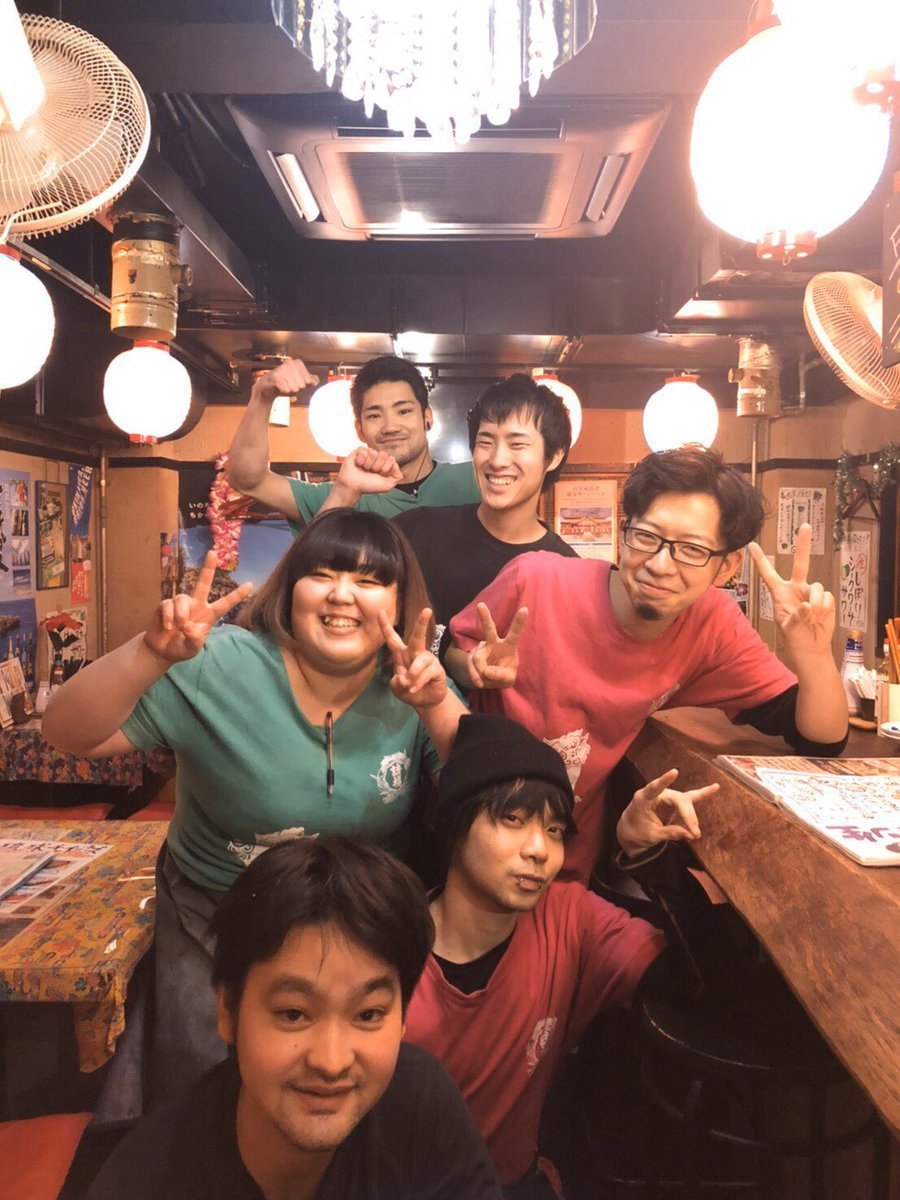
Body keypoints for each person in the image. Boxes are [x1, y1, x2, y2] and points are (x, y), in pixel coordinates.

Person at [43, 508, 467, 1102]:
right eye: (322, 574)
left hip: (357, 926)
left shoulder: (414, 683)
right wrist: (149, 654)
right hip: (214, 919)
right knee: (205, 1090)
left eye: (370, 580)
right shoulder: (216, 664)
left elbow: (484, 790)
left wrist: (437, 705)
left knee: (338, 1089)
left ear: (399, 605)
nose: (342, 594)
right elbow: (66, 734)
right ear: (291, 589)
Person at [445, 448, 849, 882]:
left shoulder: (713, 625)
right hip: (470, 850)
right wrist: (472, 669)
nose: (659, 565)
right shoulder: (536, 579)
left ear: (727, 566)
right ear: (625, 533)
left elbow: (820, 738)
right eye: (646, 536)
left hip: (569, 866)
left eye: (691, 549)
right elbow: (451, 651)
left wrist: (813, 656)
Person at [403, 713, 721, 1196]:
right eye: (513, 819)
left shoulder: (568, 919)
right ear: (454, 824)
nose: (539, 849)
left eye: (554, 830)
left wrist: (651, 861)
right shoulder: (389, 954)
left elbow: (699, 985)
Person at [88, 836, 503, 1200]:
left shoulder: (422, 1108)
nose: (332, 1062)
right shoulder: (146, 1181)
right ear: (227, 1010)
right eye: (293, 1014)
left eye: (368, 1014)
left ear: (403, 1016)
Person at [391, 373, 578, 650]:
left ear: (554, 456)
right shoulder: (417, 531)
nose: (497, 460)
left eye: (517, 444)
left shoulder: (565, 570)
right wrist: (348, 490)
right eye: (486, 442)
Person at [225, 354, 479, 524]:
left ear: (427, 417)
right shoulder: (340, 496)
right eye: (374, 415)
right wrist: (261, 396)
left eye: (403, 411)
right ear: (360, 430)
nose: (391, 426)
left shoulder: (477, 480)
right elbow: (248, 481)